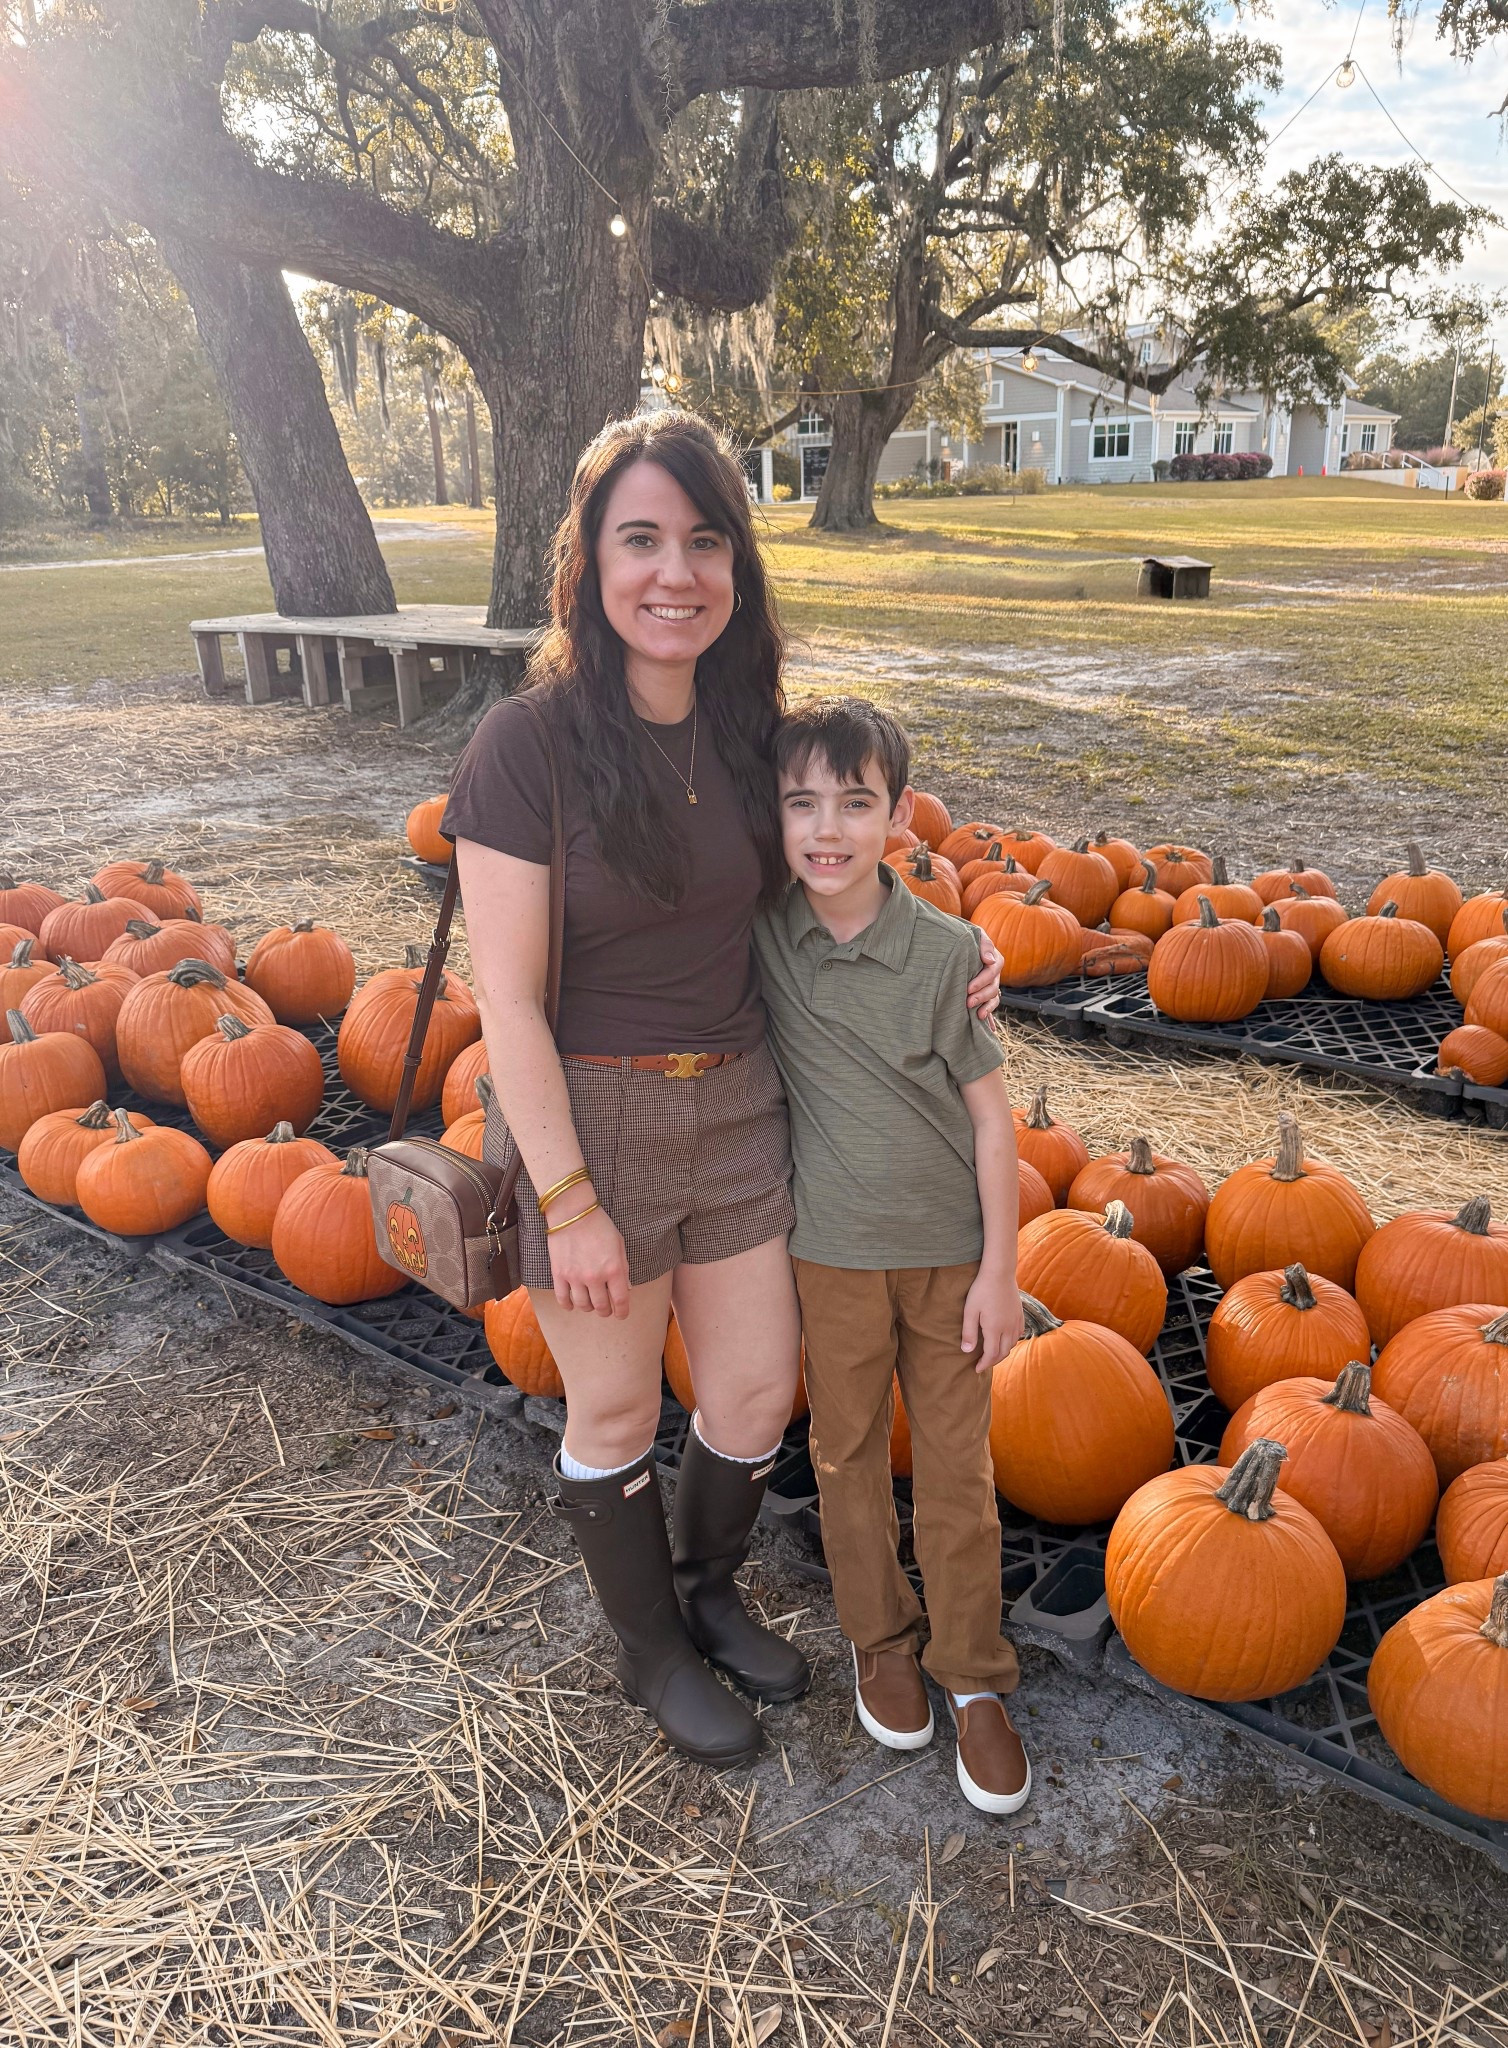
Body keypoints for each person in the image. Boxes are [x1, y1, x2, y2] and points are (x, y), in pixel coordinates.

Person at [443, 412, 1001, 1770]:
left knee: (753, 1394)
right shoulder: (525, 746)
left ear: (736, 566)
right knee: (616, 1410)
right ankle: (650, 1650)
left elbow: (836, 861)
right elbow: (506, 1000)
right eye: (639, 539)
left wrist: (951, 948)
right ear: (589, 562)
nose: (673, 572)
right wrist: (567, 1200)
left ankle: (703, 1590)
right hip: (595, 1123)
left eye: (703, 541)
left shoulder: (753, 732)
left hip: (744, 1105)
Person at [753, 697, 1032, 1815]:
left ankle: (974, 1672)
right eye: (801, 804)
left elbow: (993, 1124)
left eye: (854, 804)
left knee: (958, 1470)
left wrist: (1001, 1269)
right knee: (847, 1455)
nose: (827, 829)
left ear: (899, 816)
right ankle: (879, 1639)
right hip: (831, 1259)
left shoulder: (946, 954)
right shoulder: (764, 933)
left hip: (949, 1262)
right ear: (773, 818)